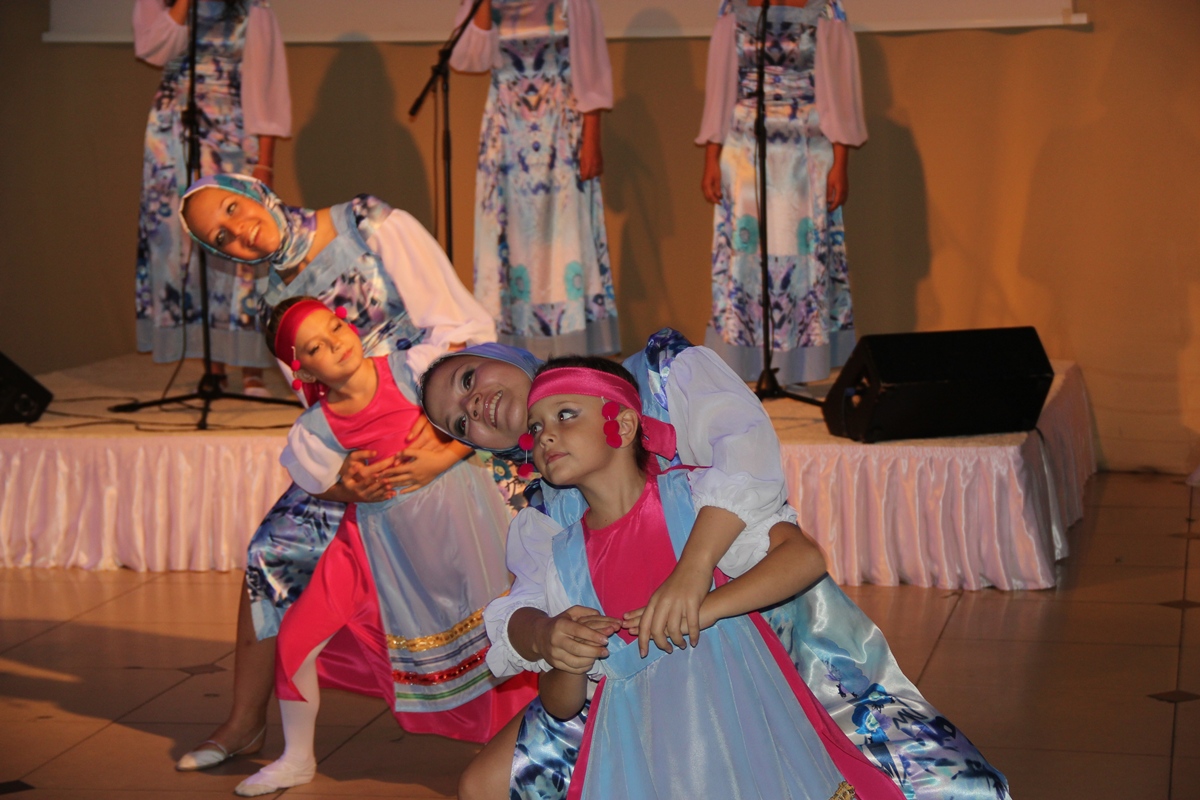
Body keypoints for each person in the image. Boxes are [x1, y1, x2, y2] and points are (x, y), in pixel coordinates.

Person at [420, 332, 1011, 800]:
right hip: (633, 683)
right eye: (460, 424)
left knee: (916, 774)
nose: (472, 405)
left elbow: (748, 459)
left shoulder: (662, 377)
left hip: (764, 628)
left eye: (467, 379)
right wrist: (551, 636)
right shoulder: (542, 518)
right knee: (483, 784)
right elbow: (525, 610)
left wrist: (692, 575)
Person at [174, 174, 501, 772]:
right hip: (364, 453)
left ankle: (534, 715)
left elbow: (465, 327)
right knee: (271, 552)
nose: (240, 233)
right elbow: (315, 406)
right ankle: (246, 721)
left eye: (233, 209)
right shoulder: (272, 304)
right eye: (221, 237)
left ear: (255, 189)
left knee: (500, 555)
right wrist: (340, 480)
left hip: (443, 416)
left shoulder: (369, 225)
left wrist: (448, 432)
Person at [511, 356, 903, 799]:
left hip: (745, 729)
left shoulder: (697, 500)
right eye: (535, 427)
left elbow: (803, 558)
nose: (544, 435)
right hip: (646, 759)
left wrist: (703, 607)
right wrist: (569, 658)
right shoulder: (562, 559)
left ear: (622, 424)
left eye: (565, 415)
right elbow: (561, 705)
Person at [231, 299, 535, 796]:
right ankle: (296, 757)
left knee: (503, 637)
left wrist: (441, 457)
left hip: (459, 528)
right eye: (316, 347)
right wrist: (346, 488)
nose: (336, 344)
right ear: (302, 370)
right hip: (372, 544)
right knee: (295, 638)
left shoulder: (413, 370)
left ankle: (529, 749)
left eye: (335, 328)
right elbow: (315, 481)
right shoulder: (316, 428)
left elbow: (474, 421)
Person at [698, 0, 866, 384]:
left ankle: (800, 362)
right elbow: (721, 89)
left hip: (805, 152)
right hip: (744, 151)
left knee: (801, 256)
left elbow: (839, 91)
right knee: (744, 257)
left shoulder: (825, 11)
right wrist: (711, 156)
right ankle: (743, 357)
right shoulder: (735, 10)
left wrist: (841, 161)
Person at [133, 0, 291, 395]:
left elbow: (268, 82)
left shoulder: (252, 7)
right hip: (172, 133)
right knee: (179, 243)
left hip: (234, 130)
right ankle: (212, 365)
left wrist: (265, 161)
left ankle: (251, 366)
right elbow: (153, 50)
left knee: (242, 242)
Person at [449, 0, 619, 358]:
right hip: (506, 137)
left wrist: (592, 138)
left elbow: (591, 67)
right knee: (510, 244)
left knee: (565, 242)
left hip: (562, 130)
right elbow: (469, 60)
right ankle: (514, 353)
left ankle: (569, 351)